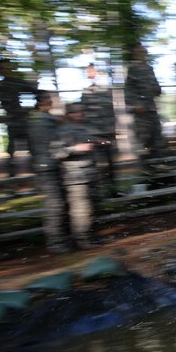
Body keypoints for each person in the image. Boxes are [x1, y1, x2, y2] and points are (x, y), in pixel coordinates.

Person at [0, 58, 37, 177]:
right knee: (11, 149)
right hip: (11, 121)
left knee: (32, 146)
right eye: (3, 68)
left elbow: (37, 93)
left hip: (23, 120)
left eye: (8, 67)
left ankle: (36, 171)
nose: (6, 70)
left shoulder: (18, 82)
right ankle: (12, 175)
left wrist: (32, 110)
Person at [29, 91, 69, 253]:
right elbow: (55, 143)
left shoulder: (38, 119)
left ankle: (60, 239)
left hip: (47, 165)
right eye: (48, 101)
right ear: (41, 103)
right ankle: (55, 242)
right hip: (48, 167)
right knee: (55, 205)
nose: (51, 104)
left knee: (58, 204)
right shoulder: (43, 120)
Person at [57, 102, 100, 249]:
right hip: (75, 178)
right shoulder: (62, 130)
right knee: (81, 211)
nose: (80, 114)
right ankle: (82, 241)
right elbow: (56, 152)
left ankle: (91, 237)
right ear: (68, 114)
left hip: (90, 174)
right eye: (76, 112)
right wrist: (75, 148)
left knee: (92, 208)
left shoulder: (84, 128)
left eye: (82, 111)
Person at [124, 45, 165, 174]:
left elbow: (156, 86)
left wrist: (158, 90)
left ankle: (157, 165)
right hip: (141, 111)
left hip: (151, 108)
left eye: (144, 52)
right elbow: (128, 90)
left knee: (156, 136)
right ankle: (144, 168)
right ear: (136, 54)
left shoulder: (149, 69)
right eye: (140, 52)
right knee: (143, 138)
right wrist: (135, 105)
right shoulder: (132, 69)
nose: (143, 54)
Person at [81, 63, 118, 196]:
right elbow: (83, 114)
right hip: (94, 134)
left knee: (111, 165)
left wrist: (114, 130)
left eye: (94, 71)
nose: (92, 74)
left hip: (108, 133)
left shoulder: (107, 91)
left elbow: (112, 111)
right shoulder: (86, 92)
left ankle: (112, 190)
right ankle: (97, 193)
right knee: (96, 164)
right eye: (89, 72)